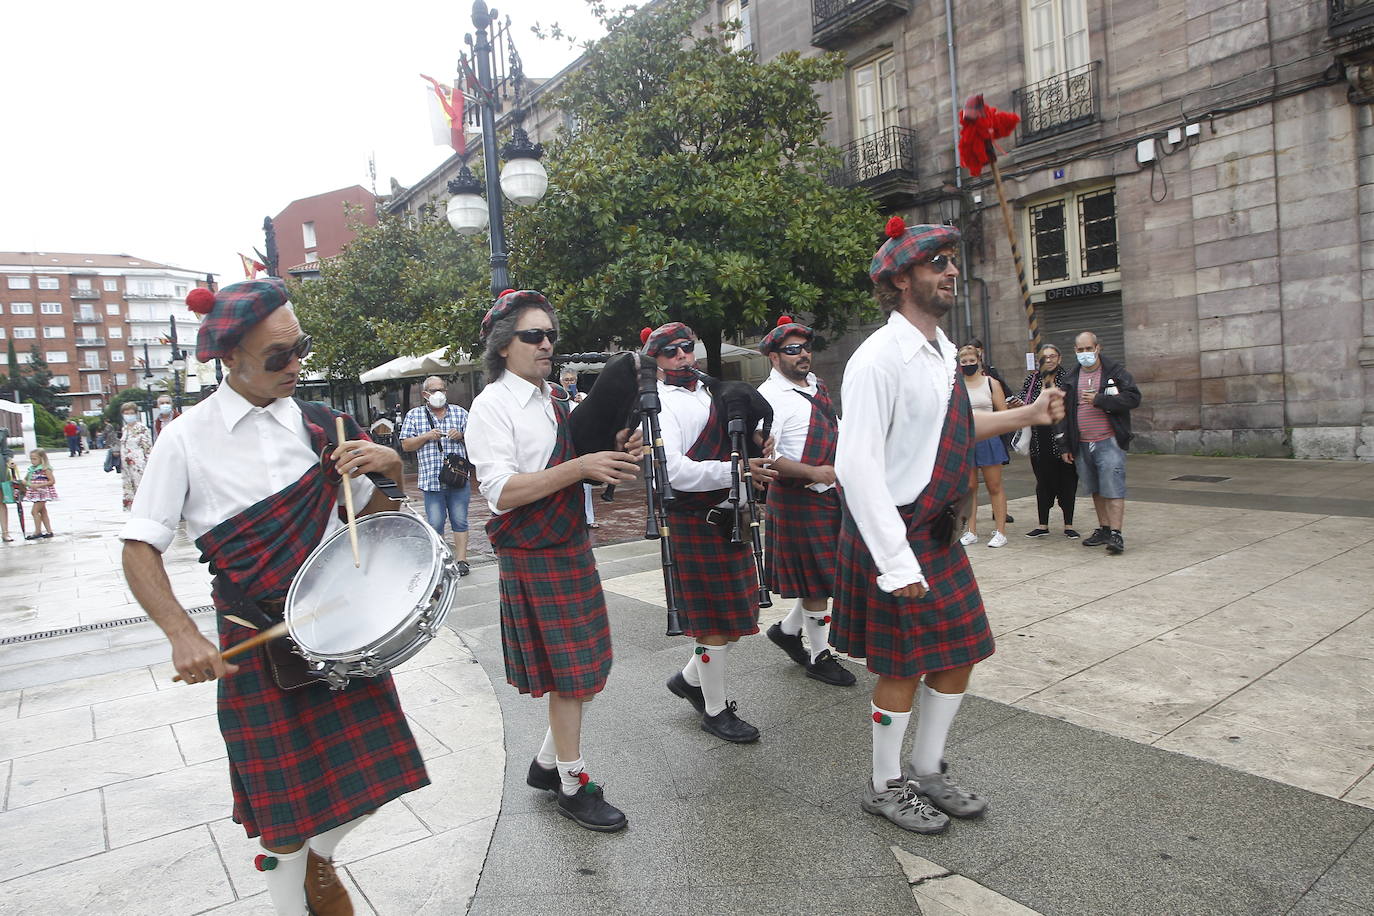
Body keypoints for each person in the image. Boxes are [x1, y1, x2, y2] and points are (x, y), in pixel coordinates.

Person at [121, 279, 428, 916]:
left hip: (339, 632)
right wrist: (182, 633)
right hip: (257, 638)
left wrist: (391, 471)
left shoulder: (322, 425)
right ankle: (297, 878)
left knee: (375, 784)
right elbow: (139, 547)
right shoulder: (185, 439)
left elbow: (375, 521)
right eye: (277, 357)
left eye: (301, 349)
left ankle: (321, 856)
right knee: (282, 818)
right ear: (229, 358)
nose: (297, 366)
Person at [833, 217, 1064, 835]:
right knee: (903, 666)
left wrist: (1031, 413)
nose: (951, 272)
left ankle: (929, 769)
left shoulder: (939, 351)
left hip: (934, 528)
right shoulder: (877, 360)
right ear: (901, 277)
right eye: (937, 262)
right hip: (896, 533)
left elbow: (957, 428)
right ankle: (886, 786)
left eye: (951, 262)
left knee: (961, 652)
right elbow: (854, 467)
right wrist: (895, 561)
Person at [466, 289, 641, 832]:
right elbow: (501, 492)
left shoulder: (554, 399)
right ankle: (572, 782)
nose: (547, 344)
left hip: (568, 542)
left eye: (549, 335)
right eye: (533, 336)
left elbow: (570, 464)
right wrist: (578, 466)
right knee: (572, 676)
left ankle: (547, 764)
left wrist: (610, 456)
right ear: (503, 346)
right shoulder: (491, 406)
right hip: (534, 550)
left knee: (584, 670)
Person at [650, 321, 779, 744]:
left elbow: (733, 444)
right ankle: (715, 710)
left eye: (687, 348)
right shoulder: (658, 406)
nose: (682, 356)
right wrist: (737, 468)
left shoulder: (711, 392)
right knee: (712, 623)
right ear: (657, 359)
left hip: (730, 512)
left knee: (736, 614)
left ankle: (690, 680)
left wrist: (758, 446)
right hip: (694, 518)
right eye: (671, 352)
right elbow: (676, 474)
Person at [755, 315, 855, 687]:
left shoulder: (818, 386)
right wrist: (812, 472)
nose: (803, 355)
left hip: (831, 494)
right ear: (774, 357)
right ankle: (820, 656)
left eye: (806, 348)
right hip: (797, 498)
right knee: (815, 584)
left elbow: (837, 429)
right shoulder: (768, 398)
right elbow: (767, 458)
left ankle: (786, 631)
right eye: (792, 349)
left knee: (823, 577)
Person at [1055, 331, 1141, 555]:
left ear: (1098, 348)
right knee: (1095, 488)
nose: (1085, 354)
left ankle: (1116, 533)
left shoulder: (1115, 372)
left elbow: (1133, 397)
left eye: (1088, 349)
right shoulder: (1071, 378)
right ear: (1075, 351)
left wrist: (1100, 400)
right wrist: (1065, 445)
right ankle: (1104, 528)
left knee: (1113, 488)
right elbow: (1062, 414)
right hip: (1082, 443)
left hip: (1109, 440)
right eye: (1080, 350)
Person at [400, 376, 472, 576]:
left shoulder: (460, 413)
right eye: (434, 390)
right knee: (435, 523)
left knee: (460, 520)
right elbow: (406, 444)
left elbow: (477, 439)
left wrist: (462, 436)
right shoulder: (415, 415)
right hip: (431, 481)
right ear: (425, 394)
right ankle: (440, 560)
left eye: (442, 389)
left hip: (458, 478)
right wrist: (425, 436)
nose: (439, 394)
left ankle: (462, 560)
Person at [1018, 344, 1078, 538]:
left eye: (1053, 356)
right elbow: (1025, 399)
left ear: (1059, 358)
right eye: (1045, 357)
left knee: (1067, 481)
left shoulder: (1068, 378)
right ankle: (1042, 524)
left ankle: (1068, 524)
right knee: (1042, 481)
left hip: (1063, 437)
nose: (1049, 360)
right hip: (1039, 438)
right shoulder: (1033, 379)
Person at [957, 344, 1010, 549]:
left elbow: (1003, 412)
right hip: (966, 440)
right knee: (969, 488)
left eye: (972, 361)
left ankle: (1000, 531)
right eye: (964, 362)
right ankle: (971, 530)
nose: (968, 364)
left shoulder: (991, 383)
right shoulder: (957, 385)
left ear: (979, 360)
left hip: (988, 438)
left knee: (994, 486)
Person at [560, 368, 599, 529]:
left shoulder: (583, 397)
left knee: (586, 484)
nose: (570, 383)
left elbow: (595, 416)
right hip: (564, 445)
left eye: (572, 380)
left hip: (581, 444)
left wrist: (583, 404)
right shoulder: (556, 398)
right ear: (561, 381)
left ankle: (588, 518)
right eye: (567, 380)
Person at [119, 403, 153, 511]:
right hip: (126, 464)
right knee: (130, 486)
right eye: (126, 413)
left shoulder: (142, 428)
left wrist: (148, 463)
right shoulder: (125, 429)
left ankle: (144, 508)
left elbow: (147, 447)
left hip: (138, 463)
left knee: (141, 485)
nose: (129, 415)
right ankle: (134, 509)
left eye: (131, 413)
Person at [23, 449, 57, 539]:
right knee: (43, 512)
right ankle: (49, 531)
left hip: (43, 493)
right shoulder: (31, 469)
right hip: (36, 494)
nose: (32, 461)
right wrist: (26, 483)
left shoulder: (45, 469)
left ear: (41, 459)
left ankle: (38, 531)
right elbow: (26, 479)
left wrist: (40, 485)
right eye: (31, 459)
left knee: (34, 511)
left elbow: (52, 481)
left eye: (34, 459)